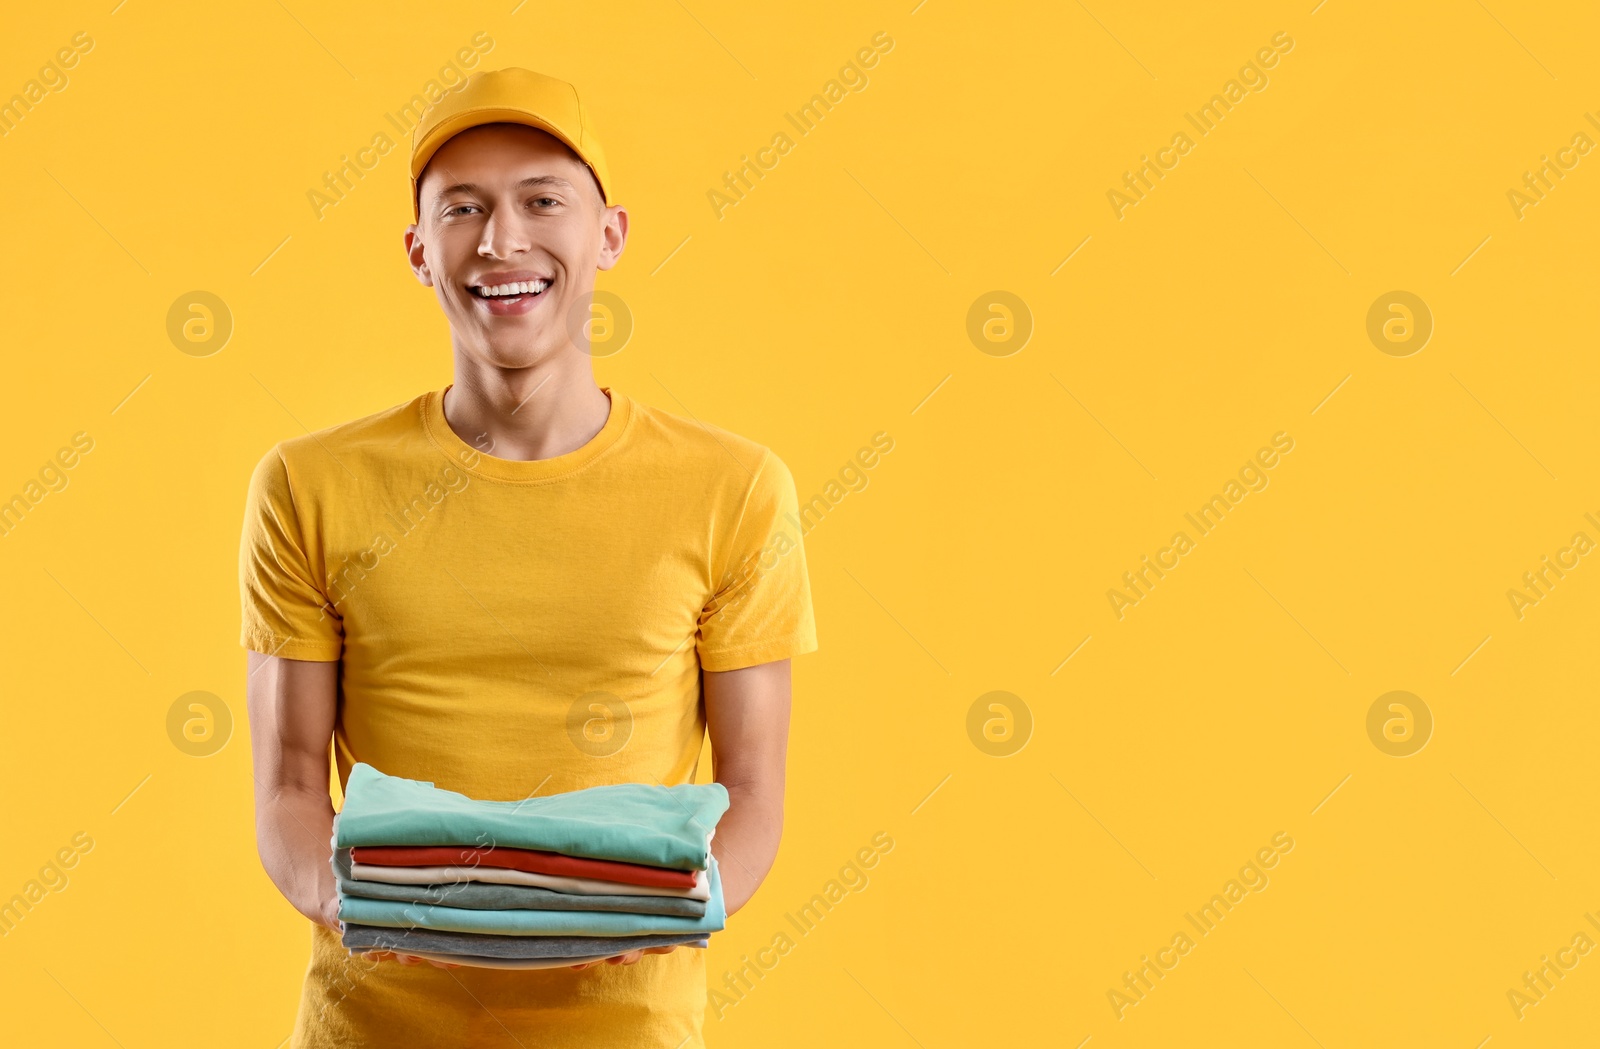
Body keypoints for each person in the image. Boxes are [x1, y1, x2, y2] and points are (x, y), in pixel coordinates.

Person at [239, 66, 817, 1049]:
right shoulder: (307, 484)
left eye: (542, 200)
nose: (503, 239)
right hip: (373, 1027)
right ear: (421, 252)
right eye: (463, 207)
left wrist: (670, 903)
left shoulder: (736, 488)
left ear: (609, 235)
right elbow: (291, 786)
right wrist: (366, 908)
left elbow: (753, 788)